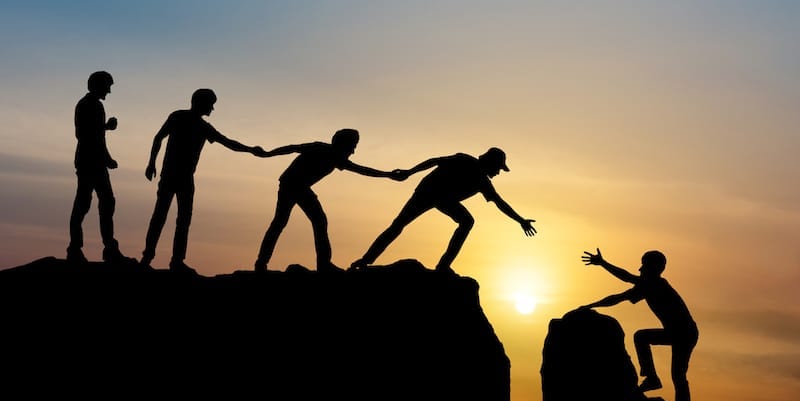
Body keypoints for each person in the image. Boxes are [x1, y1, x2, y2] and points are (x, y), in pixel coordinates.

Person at [349, 147, 536, 273]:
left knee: (467, 221)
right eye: (498, 168)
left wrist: (521, 221)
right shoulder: (464, 160)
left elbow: (500, 202)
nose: (498, 172)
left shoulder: (483, 182)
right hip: (427, 191)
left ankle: (443, 266)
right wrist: (409, 172)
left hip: (444, 199)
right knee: (398, 225)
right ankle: (366, 260)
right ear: (490, 162)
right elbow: (434, 161)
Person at [140, 88, 267, 274]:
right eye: (211, 104)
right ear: (201, 102)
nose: (212, 109)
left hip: (183, 178)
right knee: (162, 217)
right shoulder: (181, 118)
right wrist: (151, 163)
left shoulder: (201, 126)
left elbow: (228, 143)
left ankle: (175, 261)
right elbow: (159, 137)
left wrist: (250, 150)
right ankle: (149, 257)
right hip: (172, 176)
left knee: (180, 219)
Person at [578, 248, 699, 401]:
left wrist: (603, 264)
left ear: (654, 268)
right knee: (677, 375)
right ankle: (655, 382)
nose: (640, 269)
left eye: (644, 264)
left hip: (685, 332)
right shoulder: (647, 286)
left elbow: (626, 278)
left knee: (674, 371)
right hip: (682, 332)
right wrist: (591, 305)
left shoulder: (657, 284)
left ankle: (654, 381)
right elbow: (618, 297)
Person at [254, 128, 405, 272]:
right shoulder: (320, 148)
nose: (353, 151)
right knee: (289, 222)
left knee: (305, 222)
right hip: (291, 185)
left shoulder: (337, 159)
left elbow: (363, 170)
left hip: (299, 187)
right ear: (342, 144)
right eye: (352, 146)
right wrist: (267, 154)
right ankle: (266, 263)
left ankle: (321, 264)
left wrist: (387, 175)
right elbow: (292, 148)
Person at [67, 70, 134, 264]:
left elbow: (93, 133)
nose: (109, 91)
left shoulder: (91, 105)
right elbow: (87, 136)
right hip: (91, 162)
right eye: (108, 87)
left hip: (92, 161)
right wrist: (107, 158)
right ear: (98, 85)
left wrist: (105, 128)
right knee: (86, 203)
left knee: (102, 202)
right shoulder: (91, 105)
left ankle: (104, 248)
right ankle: (78, 249)